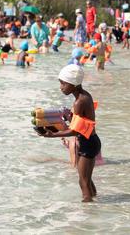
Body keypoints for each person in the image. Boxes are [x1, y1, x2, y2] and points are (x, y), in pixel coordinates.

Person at [45, 64, 100, 202]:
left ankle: (87, 210)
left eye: (63, 83)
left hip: (87, 143)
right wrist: (70, 117)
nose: (61, 87)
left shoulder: (79, 102)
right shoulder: (84, 95)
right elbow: (82, 122)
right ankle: (95, 203)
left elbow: (75, 131)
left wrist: (53, 135)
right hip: (92, 140)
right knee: (87, 179)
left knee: (83, 181)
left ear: (73, 84)